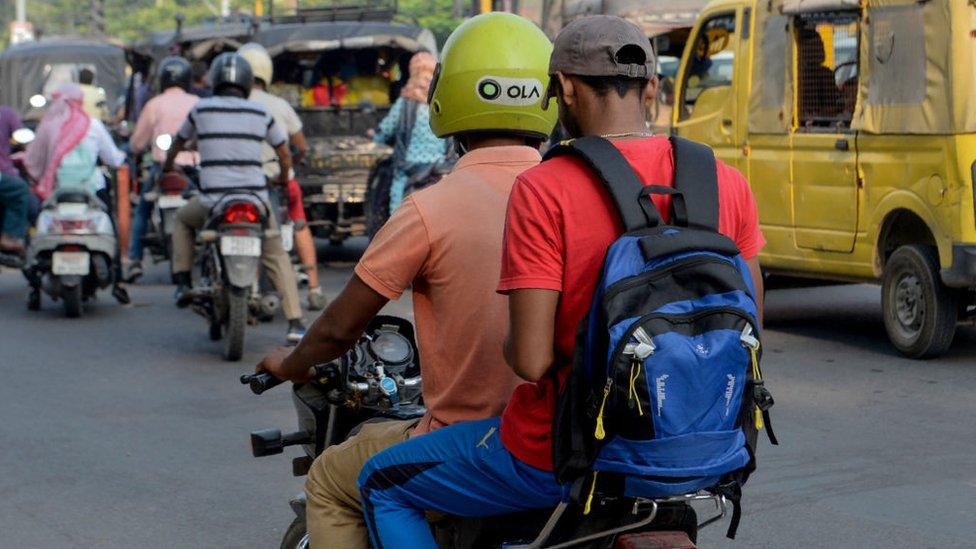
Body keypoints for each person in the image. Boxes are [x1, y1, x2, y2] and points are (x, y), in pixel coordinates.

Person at [355, 16, 767, 549]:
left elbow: (529, 360)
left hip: (563, 452)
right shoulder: (723, 180)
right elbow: (753, 318)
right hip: (706, 449)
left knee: (383, 483)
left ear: (564, 89)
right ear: (652, 88)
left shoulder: (545, 187)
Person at [254, 13, 557, 549]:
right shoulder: (576, 199)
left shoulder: (429, 209)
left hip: (475, 444)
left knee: (329, 479)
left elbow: (338, 331)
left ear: (444, 101)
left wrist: (288, 363)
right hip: (573, 440)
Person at [163, 53, 306, 343]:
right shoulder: (260, 113)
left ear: (215, 81)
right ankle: (296, 322)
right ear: (245, 81)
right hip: (255, 199)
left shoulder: (201, 109)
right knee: (276, 253)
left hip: (212, 202)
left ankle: (181, 281)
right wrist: (281, 175)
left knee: (181, 219)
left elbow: (178, 144)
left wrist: (168, 168)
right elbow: (284, 152)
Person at [237, 43, 326, 311]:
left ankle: (246, 289)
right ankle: (313, 287)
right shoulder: (279, 105)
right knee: (299, 223)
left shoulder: (233, 105)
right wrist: (291, 166)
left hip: (242, 184)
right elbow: (301, 146)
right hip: (280, 182)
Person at [23, 83, 130, 303]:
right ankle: (118, 282)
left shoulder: (49, 125)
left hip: (56, 194)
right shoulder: (92, 124)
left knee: (35, 228)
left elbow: (33, 163)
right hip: (91, 192)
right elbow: (115, 159)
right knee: (111, 227)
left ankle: (33, 288)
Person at [125, 56, 200, 282]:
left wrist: (134, 148)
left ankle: (135, 260)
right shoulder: (197, 102)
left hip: (162, 168)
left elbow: (137, 143)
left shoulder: (154, 104)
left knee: (142, 211)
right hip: (193, 168)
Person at [371, 51, 446, 215]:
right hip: (439, 171)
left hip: (407, 172)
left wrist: (373, 134)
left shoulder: (405, 101)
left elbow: (385, 131)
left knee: (398, 220)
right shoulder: (443, 101)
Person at [0, 103, 30, 263]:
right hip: (3, 173)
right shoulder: (6, 113)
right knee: (20, 190)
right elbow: (23, 139)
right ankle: (10, 235)